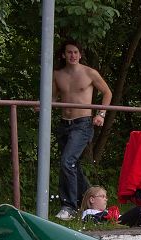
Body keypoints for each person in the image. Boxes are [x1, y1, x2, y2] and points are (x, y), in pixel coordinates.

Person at [52, 39, 112, 221]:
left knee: (67, 162)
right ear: (63, 54)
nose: (72, 55)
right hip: (64, 123)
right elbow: (54, 98)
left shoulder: (89, 73)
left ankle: (69, 206)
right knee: (72, 165)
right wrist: (42, 105)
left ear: (80, 54)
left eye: (75, 52)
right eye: (69, 52)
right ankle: (90, 201)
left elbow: (107, 92)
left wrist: (101, 114)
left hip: (83, 123)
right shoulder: (57, 74)